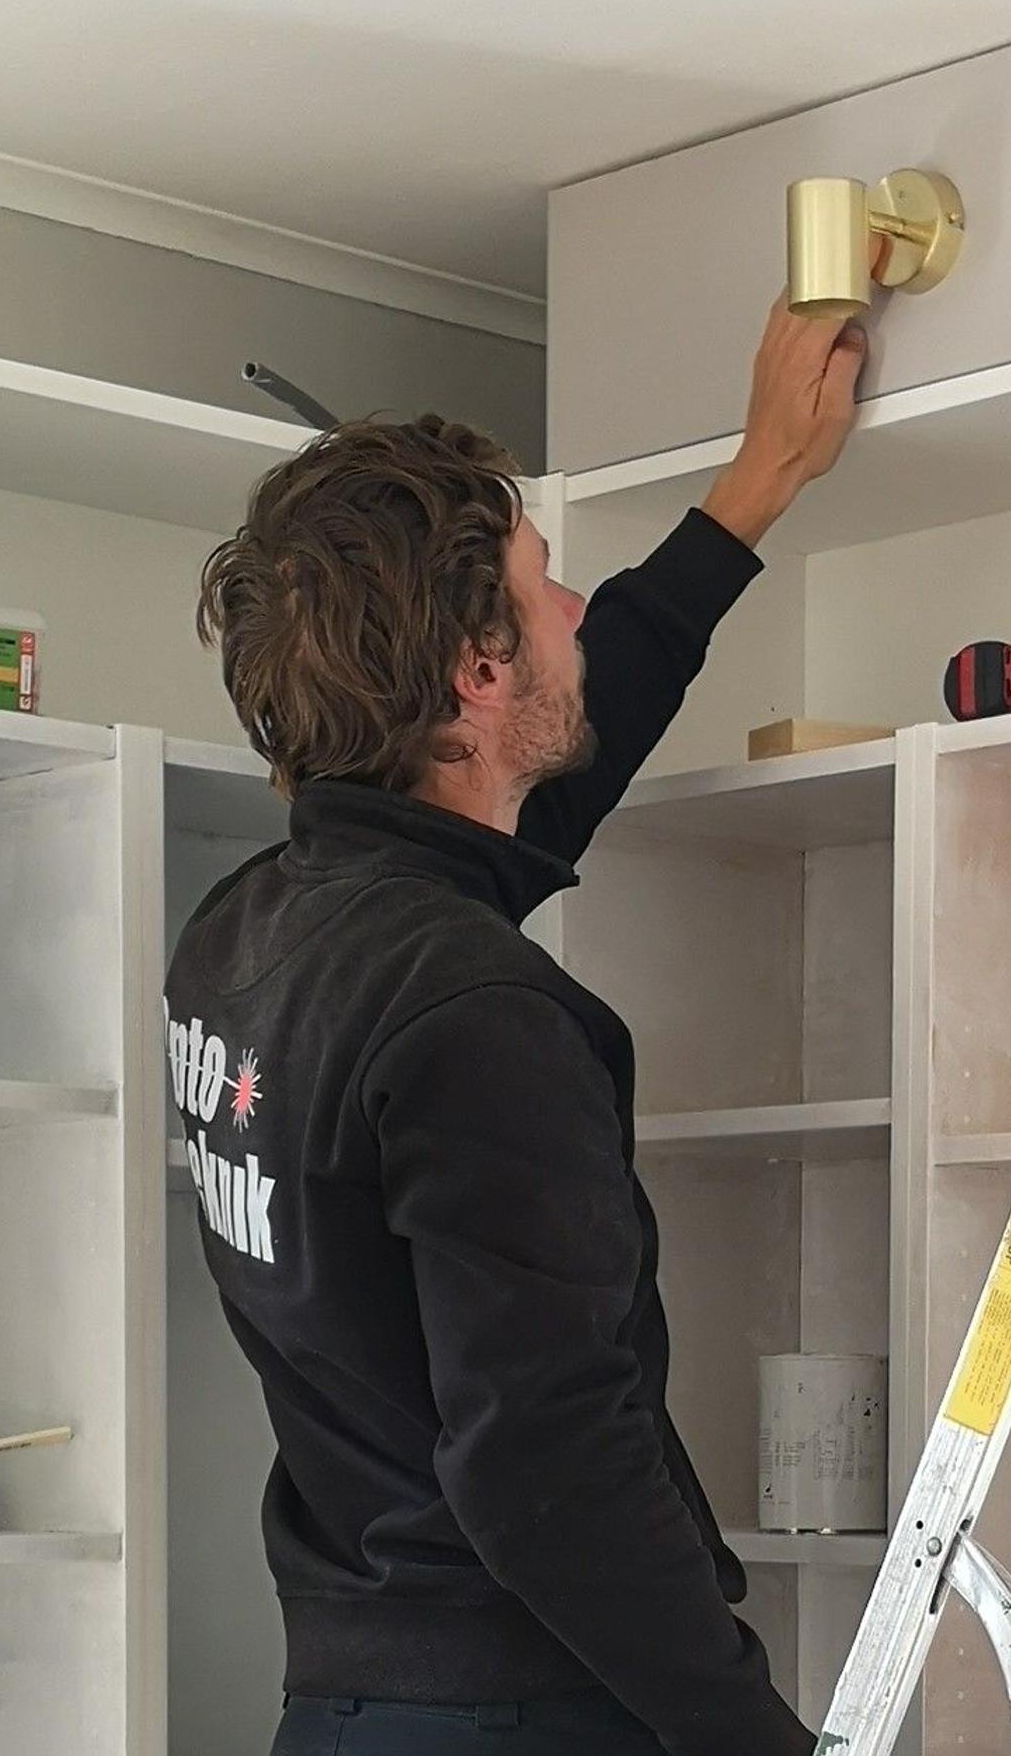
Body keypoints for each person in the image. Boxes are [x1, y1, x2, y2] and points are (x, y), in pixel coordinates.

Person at [176, 303, 869, 1756]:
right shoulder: (478, 1013)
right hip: (522, 1707)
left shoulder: (241, 942)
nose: (575, 610)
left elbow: (520, 807)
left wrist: (757, 486)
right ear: (479, 675)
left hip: (352, 1703)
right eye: (546, 585)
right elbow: (549, 1460)